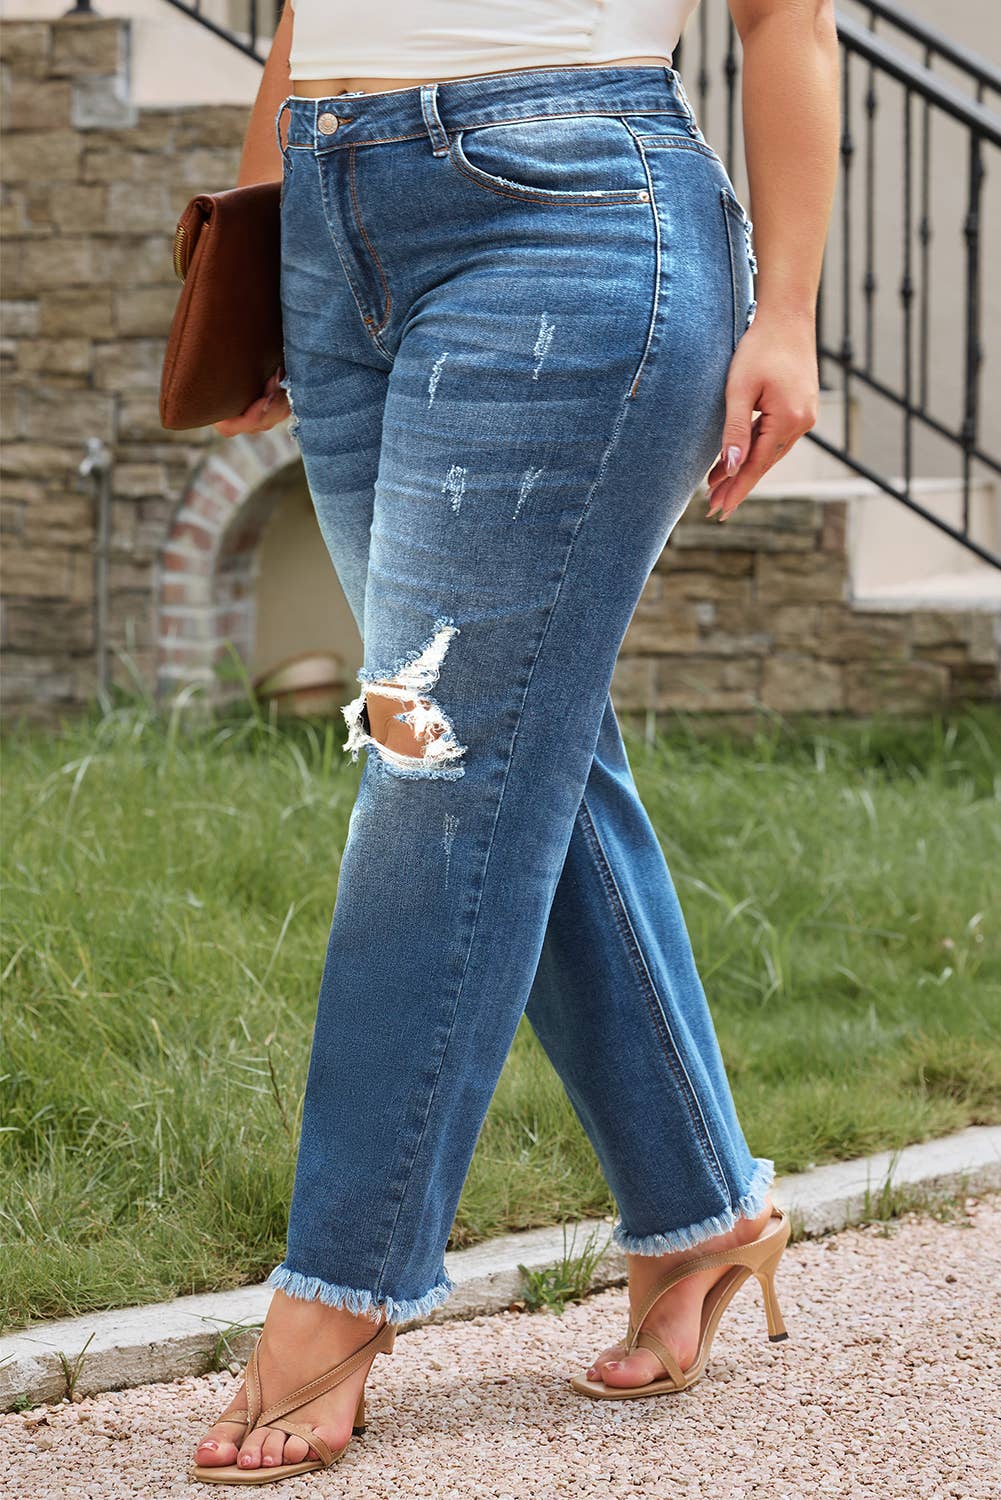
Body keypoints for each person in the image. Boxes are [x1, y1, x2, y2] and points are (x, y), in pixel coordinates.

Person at [190, 0, 838, 1484]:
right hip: (333, 202)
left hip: (571, 202)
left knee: (436, 759)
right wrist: (263, 255)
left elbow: (779, 18)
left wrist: (787, 313)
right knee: (516, 741)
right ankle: (699, 1209)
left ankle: (335, 1290)